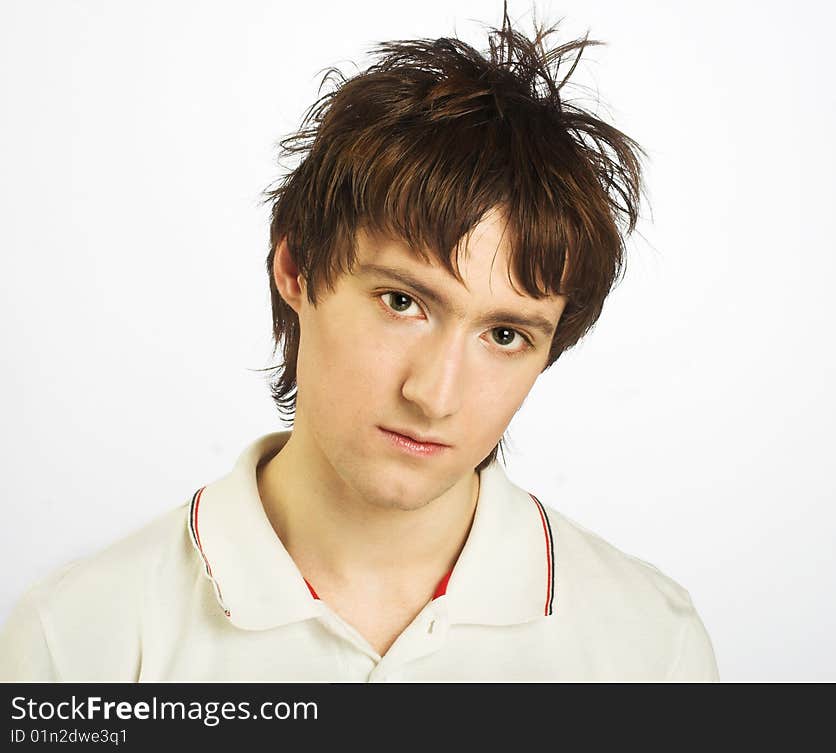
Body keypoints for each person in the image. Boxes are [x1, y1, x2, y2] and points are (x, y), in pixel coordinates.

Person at [0, 5, 719, 682]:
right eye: (402, 302)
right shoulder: (76, 643)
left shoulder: (650, 648)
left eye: (504, 334)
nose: (435, 394)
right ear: (296, 267)